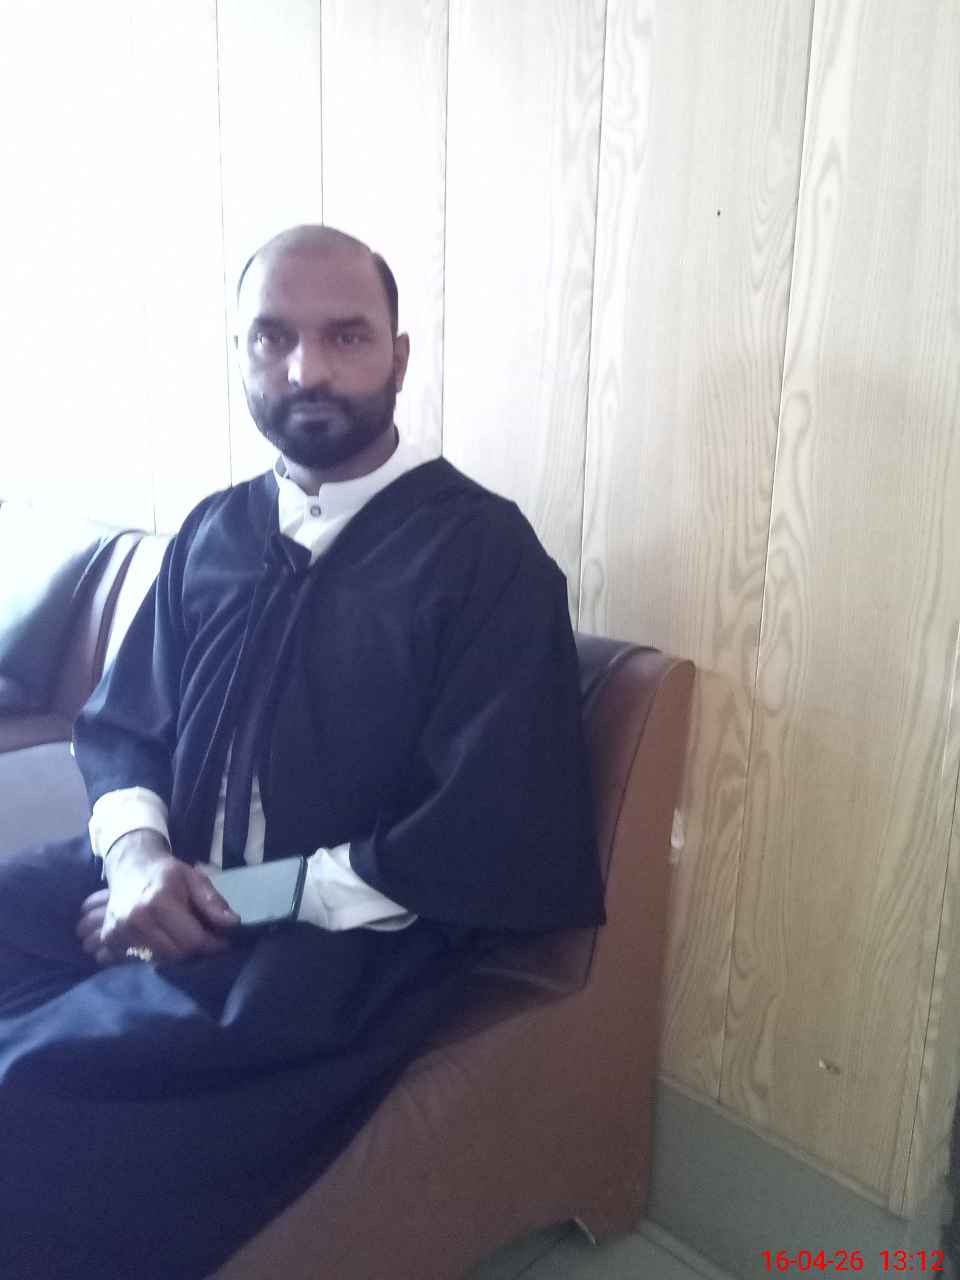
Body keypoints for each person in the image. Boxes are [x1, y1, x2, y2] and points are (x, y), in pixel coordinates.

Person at [0, 225, 604, 1279]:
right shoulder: (216, 531)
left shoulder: (483, 558)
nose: (305, 369)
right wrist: (139, 861)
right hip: (168, 873)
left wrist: (228, 896)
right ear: (239, 354)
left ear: (399, 358)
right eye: (272, 337)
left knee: (35, 1087)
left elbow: (475, 831)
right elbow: (128, 723)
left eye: (346, 336)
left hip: (341, 938)